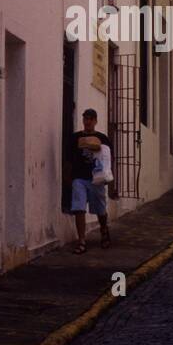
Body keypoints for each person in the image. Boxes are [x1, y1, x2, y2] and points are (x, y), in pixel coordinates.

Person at [68, 108, 112, 253]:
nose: (87, 122)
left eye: (90, 119)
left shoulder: (103, 138)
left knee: (100, 209)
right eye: (85, 119)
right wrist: (67, 176)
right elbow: (68, 158)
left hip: (96, 179)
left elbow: (107, 160)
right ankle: (81, 240)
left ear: (95, 121)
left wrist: (108, 178)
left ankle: (104, 231)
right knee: (79, 208)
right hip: (79, 177)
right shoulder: (75, 138)